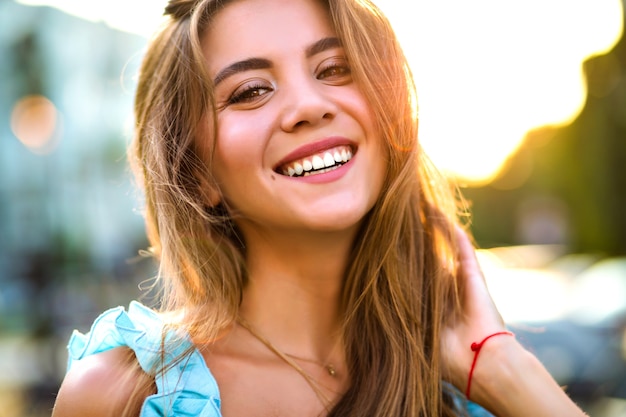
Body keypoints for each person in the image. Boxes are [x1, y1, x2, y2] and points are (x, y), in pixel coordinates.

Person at [52, 0, 588, 416]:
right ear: (197, 174)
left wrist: (504, 370)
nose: (309, 106)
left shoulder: (468, 391)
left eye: (334, 68)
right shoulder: (122, 395)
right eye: (251, 91)